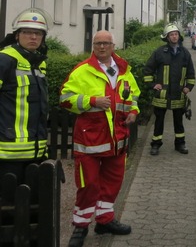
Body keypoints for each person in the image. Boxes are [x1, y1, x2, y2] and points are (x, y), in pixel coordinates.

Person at [60, 30, 140, 247]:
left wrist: (134, 111)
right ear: (93, 46)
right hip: (90, 142)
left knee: (113, 184)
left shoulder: (124, 69)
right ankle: (80, 226)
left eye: (106, 43)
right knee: (88, 185)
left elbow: (133, 95)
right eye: (98, 44)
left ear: (113, 46)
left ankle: (105, 220)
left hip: (118, 141)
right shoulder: (82, 70)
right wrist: (92, 100)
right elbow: (65, 98)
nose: (102, 47)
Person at [0, 8, 50, 184]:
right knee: (10, 206)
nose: (33, 37)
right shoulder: (5, 60)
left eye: (37, 33)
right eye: (27, 32)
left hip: (35, 151)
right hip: (8, 154)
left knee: (33, 205)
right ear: (17, 35)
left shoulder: (38, 62)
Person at [143, 23, 195, 156]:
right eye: (171, 34)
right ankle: (155, 144)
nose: (174, 36)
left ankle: (180, 144)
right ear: (167, 37)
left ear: (179, 36)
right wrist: (153, 84)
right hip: (162, 95)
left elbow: (191, 73)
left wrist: (188, 87)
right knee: (159, 121)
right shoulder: (159, 52)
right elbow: (147, 70)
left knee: (179, 122)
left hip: (179, 94)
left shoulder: (185, 54)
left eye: (176, 34)